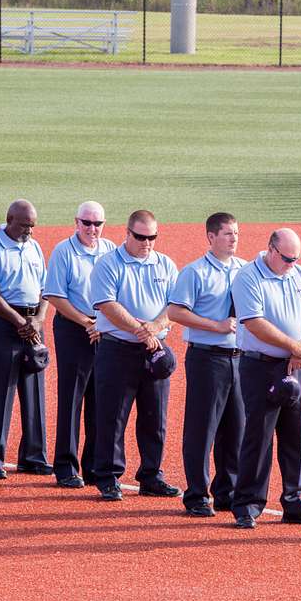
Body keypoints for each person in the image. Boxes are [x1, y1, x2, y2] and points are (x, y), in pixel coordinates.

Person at [230, 228, 301, 529]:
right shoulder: (248, 277)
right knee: (258, 435)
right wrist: (293, 345)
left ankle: (293, 500)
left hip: (295, 364)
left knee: (294, 434)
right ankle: (247, 503)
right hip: (260, 366)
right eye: (286, 259)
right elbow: (255, 324)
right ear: (270, 249)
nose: (291, 264)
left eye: (295, 259)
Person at [89, 210, 181, 501]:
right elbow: (107, 304)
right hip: (118, 348)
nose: (147, 243)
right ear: (127, 234)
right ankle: (107, 475)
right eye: (141, 237)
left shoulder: (165, 264)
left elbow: (175, 307)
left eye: (152, 237)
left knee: (156, 417)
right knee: (112, 416)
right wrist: (141, 330)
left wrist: (155, 327)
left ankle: (151, 475)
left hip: (154, 350)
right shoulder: (109, 264)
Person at [167, 212, 247, 517]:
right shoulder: (194, 272)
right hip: (207, 357)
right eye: (227, 234)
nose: (234, 239)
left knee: (236, 426)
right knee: (203, 428)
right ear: (211, 237)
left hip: (240, 359)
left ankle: (227, 490)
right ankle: (197, 494)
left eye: (236, 233)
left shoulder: (246, 270)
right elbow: (175, 312)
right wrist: (215, 326)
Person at [42, 201, 117, 488]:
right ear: (76, 222)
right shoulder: (64, 251)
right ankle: (65, 466)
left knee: (101, 400)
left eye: (97, 224)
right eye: (86, 223)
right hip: (74, 329)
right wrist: (88, 322)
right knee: (72, 398)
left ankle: (95, 467)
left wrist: (104, 323)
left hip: (105, 330)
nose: (92, 229)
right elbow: (56, 296)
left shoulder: (111, 250)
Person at [0, 199, 50, 480]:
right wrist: (20, 322)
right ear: (10, 219)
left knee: (34, 392)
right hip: (5, 324)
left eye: (33, 226)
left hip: (32, 323)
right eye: (25, 225)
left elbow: (45, 287)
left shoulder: (34, 246)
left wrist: (38, 320)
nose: (30, 231)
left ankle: (33, 457)